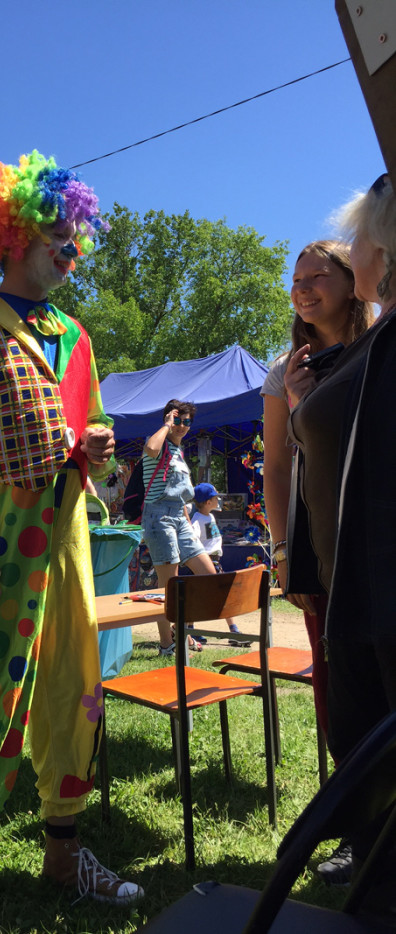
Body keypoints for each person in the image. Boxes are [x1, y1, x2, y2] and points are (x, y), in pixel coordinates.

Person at [0, 151, 142, 934]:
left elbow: (87, 430)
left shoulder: (74, 336)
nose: (72, 253)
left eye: (77, 241)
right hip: (2, 537)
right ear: (14, 235)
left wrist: (97, 448)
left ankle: (62, 851)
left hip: (70, 532)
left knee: (75, 685)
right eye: (60, 239)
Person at [284, 174, 396, 898]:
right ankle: (375, 864)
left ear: (381, 251)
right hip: (345, 574)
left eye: (356, 240)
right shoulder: (351, 351)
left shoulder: (380, 340)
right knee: (359, 731)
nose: (302, 290)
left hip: (380, 582)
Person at [261, 240, 375, 885]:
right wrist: (281, 550)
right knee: (340, 689)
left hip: (379, 536)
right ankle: (359, 831)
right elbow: (277, 468)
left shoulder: (381, 343)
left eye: (317, 276)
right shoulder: (285, 371)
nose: (302, 288)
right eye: (295, 279)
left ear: (353, 280)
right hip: (320, 546)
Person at [140, 400, 218, 655]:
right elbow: (151, 449)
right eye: (178, 420)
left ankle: (182, 630)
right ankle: (167, 644)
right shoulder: (158, 441)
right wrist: (166, 426)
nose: (182, 426)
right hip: (158, 517)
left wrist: (187, 522)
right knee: (168, 588)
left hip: (179, 517)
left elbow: (182, 496)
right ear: (168, 420)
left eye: (187, 422)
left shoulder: (178, 451)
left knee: (208, 575)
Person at [189, 483, 244, 643]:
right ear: (208, 502)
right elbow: (193, 538)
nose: (218, 500)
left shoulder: (210, 517)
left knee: (204, 597)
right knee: (217, 596)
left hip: (214, 561)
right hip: (206, 562)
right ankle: (232, 630)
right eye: (215, 498)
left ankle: (191, 629)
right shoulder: (198, 519)